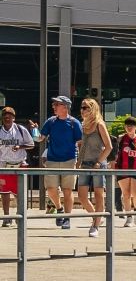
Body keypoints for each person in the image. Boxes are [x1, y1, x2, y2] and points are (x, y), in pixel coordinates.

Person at [41, 95, 82, 229]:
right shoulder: (51, 122)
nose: (54, 107)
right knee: (51, 189)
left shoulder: (74, 123)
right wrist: (34, 131)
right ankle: (59, 209)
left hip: (70, 159)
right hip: (52, 159)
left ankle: (68, 218)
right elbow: (40, 138)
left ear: (65, 107)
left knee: (67, 190)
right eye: (54, 105)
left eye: (57, 104)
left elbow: (80, 142)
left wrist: (79, 161)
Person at [76, 98, 112, 238]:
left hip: (98, 163)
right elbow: (82, 146)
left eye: (86, 107)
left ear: (93, 109)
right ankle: (97, 218)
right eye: (82, 107)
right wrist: (79, 161)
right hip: (85, 163)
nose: (83, 110)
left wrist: (99, 161)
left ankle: (95, 225)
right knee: (82, 196)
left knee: (98, 195)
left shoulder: (99, 125)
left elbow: (109, 147)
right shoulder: (83, 125)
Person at [0, 106, 32, 228]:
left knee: (20, 192)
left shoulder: (20, 129)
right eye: (5, 116)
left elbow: (31, 144)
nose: (7, 118)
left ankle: (20, 216)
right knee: (4, 192)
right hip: (3, 164)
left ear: (14, 118)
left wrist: (20, 147)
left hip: (19, 164)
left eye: (10, 116)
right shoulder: (0, 131)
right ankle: (7, 217)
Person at [113, 116, 136, 226]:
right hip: (122, 170)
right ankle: (129, 217)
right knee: (125, 193)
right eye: (127, 126)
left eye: (131, 126)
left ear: (135, 127)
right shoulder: (121, 139)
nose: (129, 128)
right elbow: (115, 155)